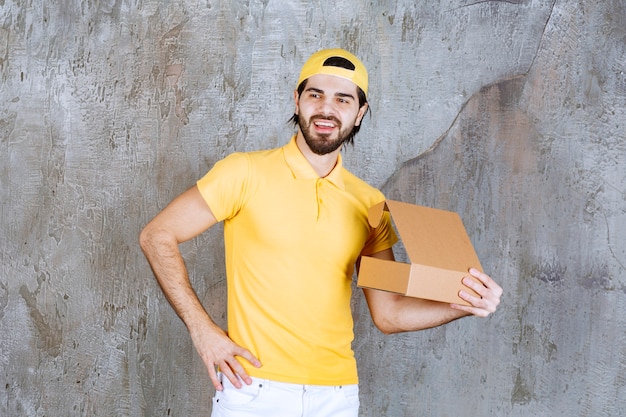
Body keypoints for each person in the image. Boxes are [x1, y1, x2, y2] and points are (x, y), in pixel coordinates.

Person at [139, 48, 502, 417]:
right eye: (315, 95)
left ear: (359, 113)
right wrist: (201, 329)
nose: (326, 109)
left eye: (343, 99)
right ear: (297, 101)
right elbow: (157, 235)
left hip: (337, 395)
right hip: (253, 390)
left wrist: (461, 304)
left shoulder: (369, 203)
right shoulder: (243, 173)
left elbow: (388, 314)